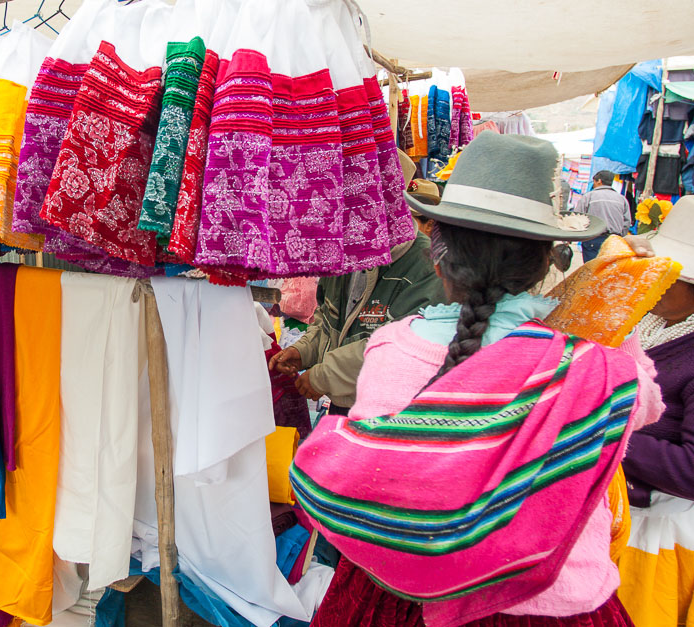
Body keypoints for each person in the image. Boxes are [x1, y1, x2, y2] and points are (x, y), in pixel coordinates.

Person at [291, 131, 663, 626]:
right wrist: (616, 307)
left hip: (406, 594)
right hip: (549, 598)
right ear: (543, 262)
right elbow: (647, 407)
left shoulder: (394, 346)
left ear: (437, 254)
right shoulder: (595, 363)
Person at [268, 151, 445, 412]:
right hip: (349, 405)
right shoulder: (352, 253)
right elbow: (329, 321)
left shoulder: (428, 266)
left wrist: (325, 375)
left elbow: (398, 347)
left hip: (395, 415)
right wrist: (304, 351)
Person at [615, 196, 694, 625]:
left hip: (655, 539)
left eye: (669, 275)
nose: (654, 281)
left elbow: (691, 470)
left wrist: (605, 430)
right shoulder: (647, 320)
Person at [575, 170, 632, 262]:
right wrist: (620, 237)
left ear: (599, 181)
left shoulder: (589, 196)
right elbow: (626, 222)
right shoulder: (621, 199)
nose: (593, 184)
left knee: (592, 271)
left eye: (594, 182)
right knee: (608, 271)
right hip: (614, 240)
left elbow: (577, 217)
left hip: (592, 239)